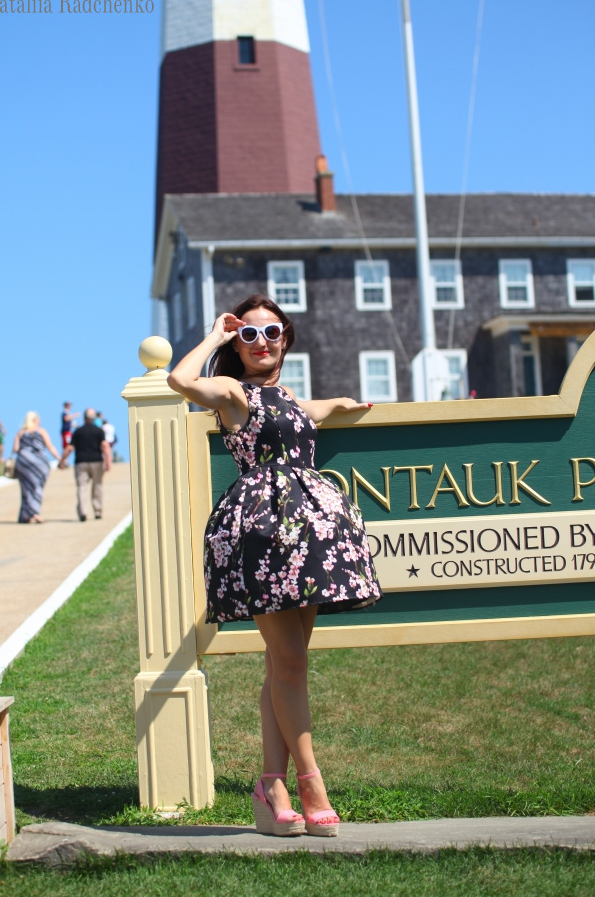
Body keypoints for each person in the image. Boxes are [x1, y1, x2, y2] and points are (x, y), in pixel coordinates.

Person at [167, 294, 382, 838]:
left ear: (287, 338)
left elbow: (317, 411)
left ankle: (271, 786)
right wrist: (217, 335)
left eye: (272, 333)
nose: (261, 343)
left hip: (309, 538)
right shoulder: (233, 393)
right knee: (289, 663)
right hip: (263, 537)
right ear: (237, 345)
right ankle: (311, 783)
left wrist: (346, 404)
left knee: (284, 663)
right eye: (250, 335)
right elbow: (180, 380)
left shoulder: (287, 397)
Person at [59, 409, 111, 521]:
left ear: (84, 418)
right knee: (97, 486)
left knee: (81, 487)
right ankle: (97, 511)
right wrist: (108, 461)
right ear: (93, 419)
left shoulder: (78, 431)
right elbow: (105, 446)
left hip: (81, 462)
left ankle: (83, 512)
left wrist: (62, 461)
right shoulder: (99, 431)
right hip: (97, 461)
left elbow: (69, 448)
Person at [12, 412, 61, 523]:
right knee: (37, 488)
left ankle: (26, 515)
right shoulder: (41, 431)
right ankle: (35, 513)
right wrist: (59, 458)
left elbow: (15, 449)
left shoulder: (21, 433)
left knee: (26, 489)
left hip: (23, 463)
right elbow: (50, 446)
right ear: (34, 420)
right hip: (39, 464)